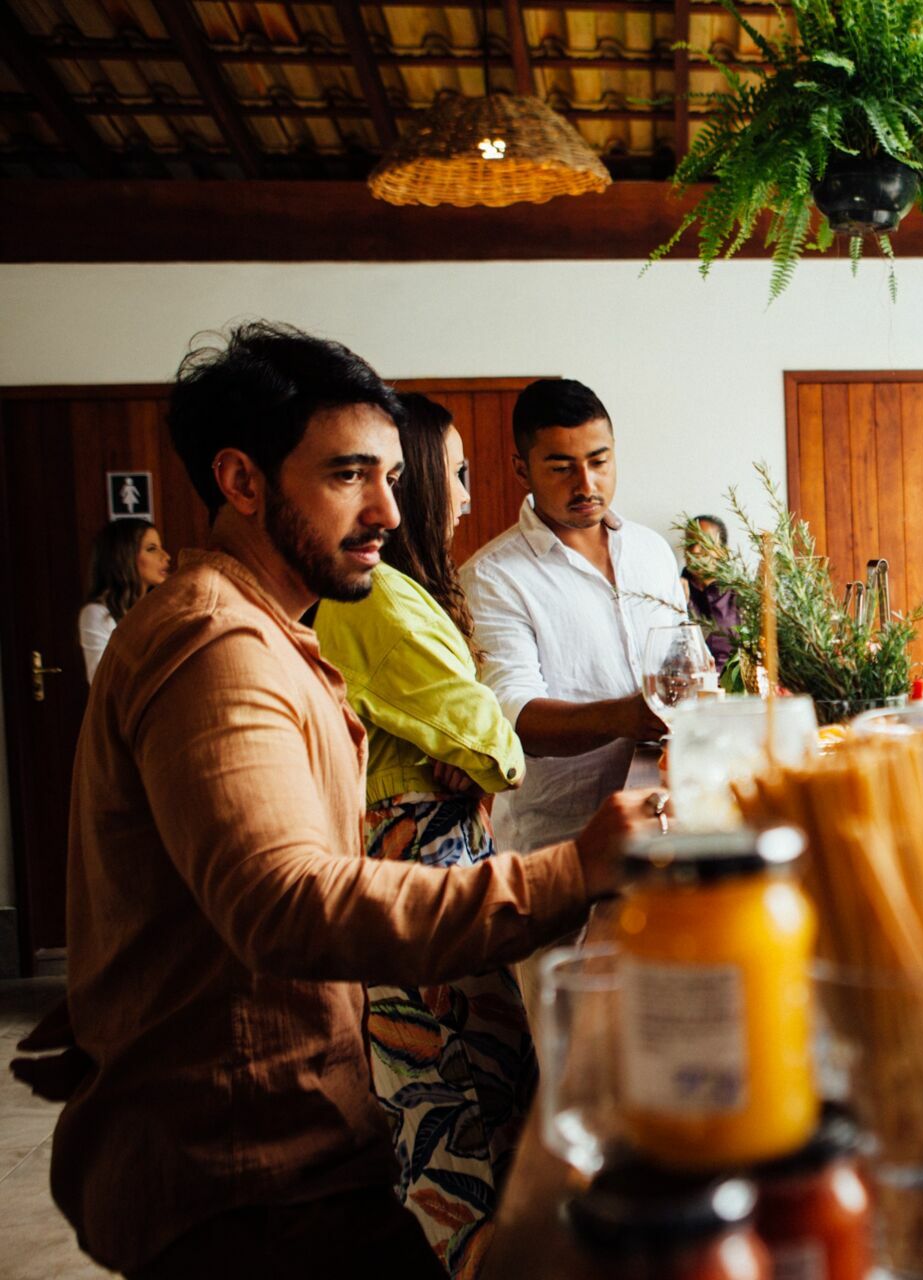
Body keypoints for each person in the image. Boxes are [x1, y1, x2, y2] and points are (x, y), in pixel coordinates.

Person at [51, 323, 654, 1278]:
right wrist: (570, 872)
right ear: (243, 482)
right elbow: (286, 902)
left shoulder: (268, 627)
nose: (385, 508)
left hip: (293, 1138)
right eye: (346, 476)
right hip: (250, 1172)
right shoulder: (219, 648)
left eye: (390, 475)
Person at [313, 393, 530, 1280]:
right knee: (463, 1111)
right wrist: (477, 755)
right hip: (420, 860)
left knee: (465, 1102)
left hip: (426, 851)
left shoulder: (390, 591)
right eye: (455, 475)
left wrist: (466, 751)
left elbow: (468, 735)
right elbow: (497, 740)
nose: (466, 496)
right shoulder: (383, 597)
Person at [460, 378, 683, 856]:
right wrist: (628, 715)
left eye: (599, 461)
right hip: (558, 845)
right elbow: (514, 718)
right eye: (561, 467)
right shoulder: (492, 577)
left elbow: (681, 661)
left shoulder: (652, 551)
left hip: (662, 824)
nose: (586, 484)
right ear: (523, 470)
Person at [76, 518, 171, 681]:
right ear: (125, 555)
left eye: (161, 548)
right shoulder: (97, 613)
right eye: (151, 549)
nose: (166, 557)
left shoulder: (162, 608)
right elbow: (100, 681)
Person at [682, 513, 741, 665]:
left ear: (723, 552)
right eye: (690, 543)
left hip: (736, 684)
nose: (695, 550)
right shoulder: (673, 591)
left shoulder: (740, 593)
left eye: (704, 543)